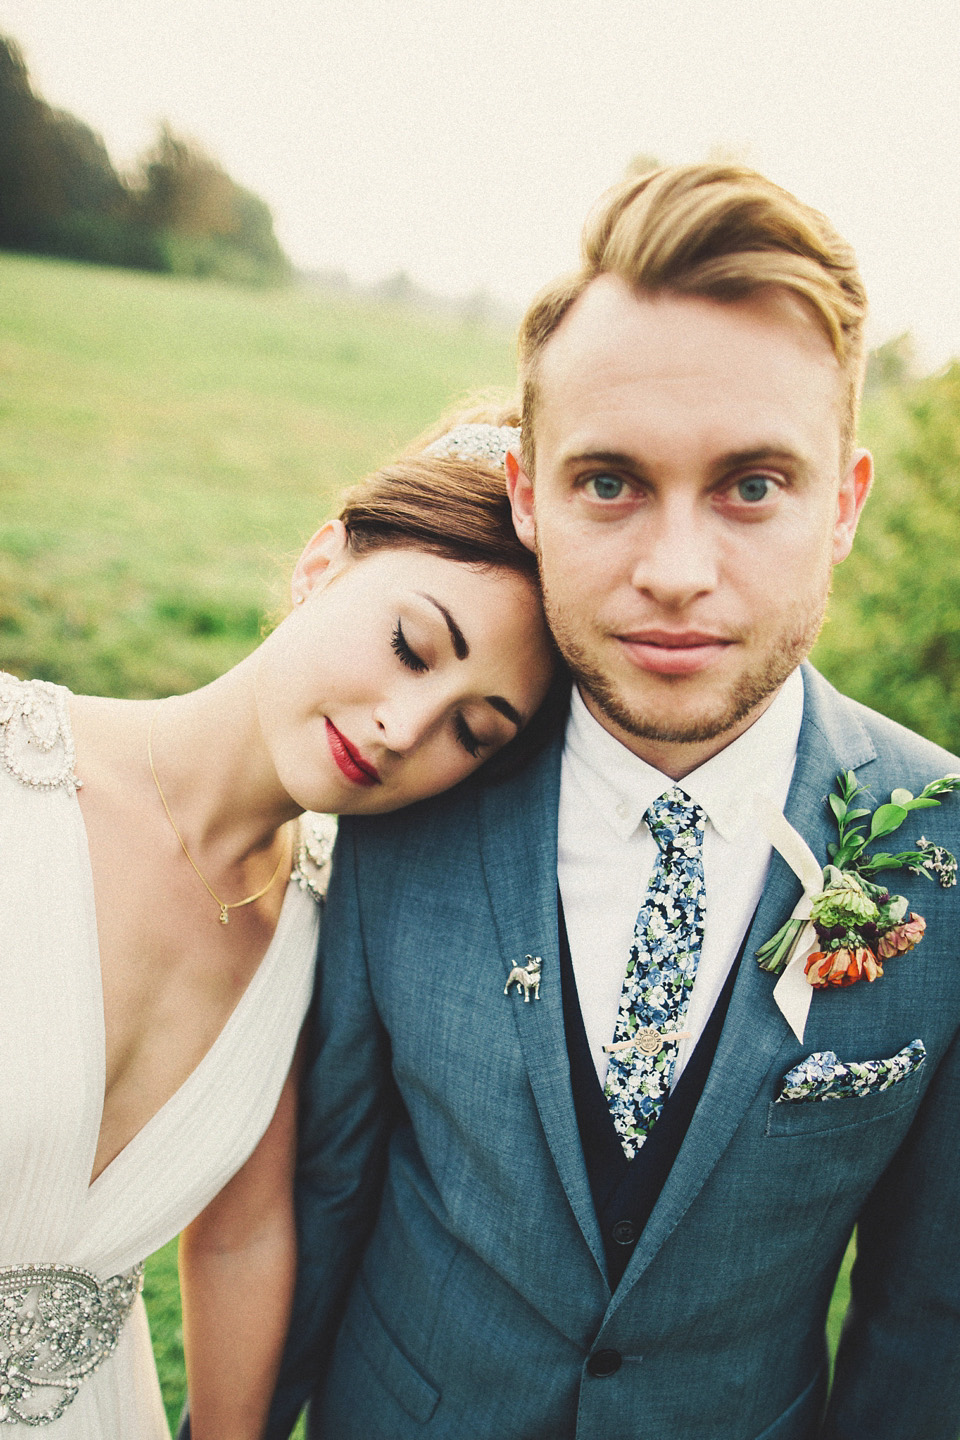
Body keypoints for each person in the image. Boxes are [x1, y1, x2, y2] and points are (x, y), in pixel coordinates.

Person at [268, 165, 960, 1440]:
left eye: (754, 486)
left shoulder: (944, 852)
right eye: (610, 483)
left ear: (845, 505)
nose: (677, 575)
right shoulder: (408, 793)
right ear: (529, 495)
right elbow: (325, 1197)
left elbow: (929, 1324)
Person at [0, 415, 559, 1439]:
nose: (405, 726)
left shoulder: (322, 932)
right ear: (321, 562)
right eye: (410, 646)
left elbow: (242, 1234)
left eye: (473, 732)